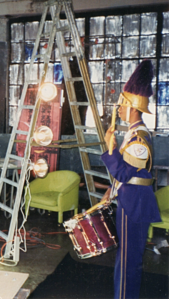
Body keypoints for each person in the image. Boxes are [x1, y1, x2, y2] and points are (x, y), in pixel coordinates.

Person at [101, 60, 161, 299]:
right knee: (126, 259)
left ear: (132, 107)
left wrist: (110, 149)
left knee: (128, 261)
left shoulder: (139, 138)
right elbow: (128, 175)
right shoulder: (132, 133)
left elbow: (126, 174)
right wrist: (111, 190)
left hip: (134, 205)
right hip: (130, 200)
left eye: (121, 104)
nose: (118, 109)